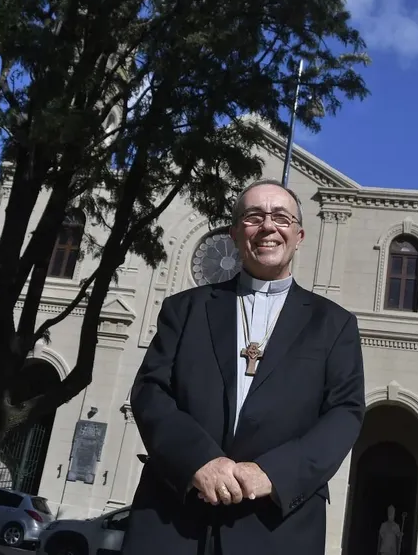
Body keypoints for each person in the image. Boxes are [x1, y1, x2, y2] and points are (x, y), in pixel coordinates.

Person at [121, 179, 366, 555]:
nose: (268, 226)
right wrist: (198, 461)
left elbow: (344, 414)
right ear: (235, 233)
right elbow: (150, 391)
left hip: (278, 526)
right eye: (254, 217)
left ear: (298, 236)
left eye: (281, 218)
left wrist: (272, 473)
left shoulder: (334, 325)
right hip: (174, 519)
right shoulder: (184, 309)